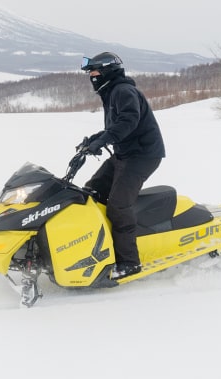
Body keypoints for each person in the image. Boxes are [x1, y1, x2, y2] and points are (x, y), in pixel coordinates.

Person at [78, 52, 165, 280]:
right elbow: (115, 126)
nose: (92, 76)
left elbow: (128, 121)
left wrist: (103, 141)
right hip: (124, 153)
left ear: (107, 71)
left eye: (94, 71)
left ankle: (129, 262)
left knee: (118, 205)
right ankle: (100, 247)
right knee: (92, 191)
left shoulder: (122, 91)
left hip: (142, 155)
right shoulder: (111, 92)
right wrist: (94, 140)